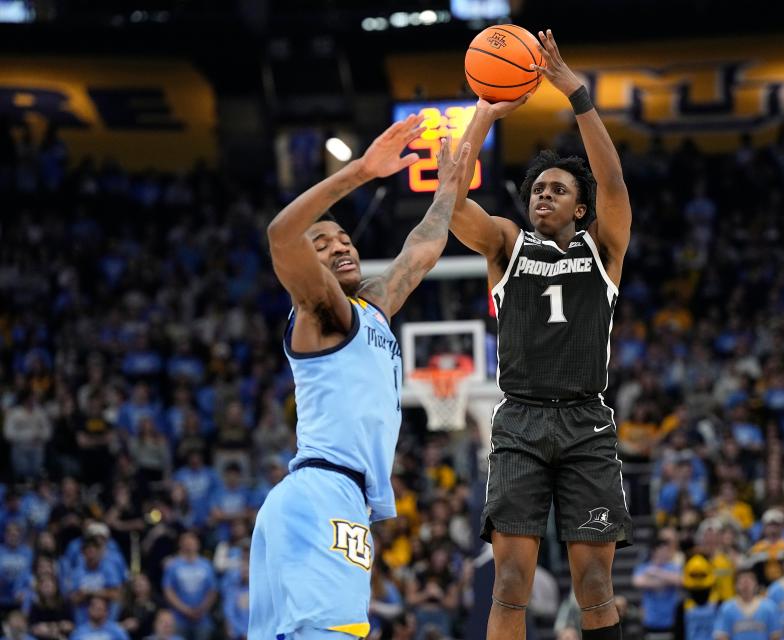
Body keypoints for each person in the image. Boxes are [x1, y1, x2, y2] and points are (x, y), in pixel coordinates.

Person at [247, 114, 474, 640]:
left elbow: (420, 253)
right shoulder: (321, 309)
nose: (341, 246)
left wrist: (446, 193)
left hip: (317, 497)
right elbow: (281, 235)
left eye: (344, 238)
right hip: (325, 493)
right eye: (323, 243)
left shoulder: (368, 308)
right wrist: (360, 173)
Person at [452, 29, 633, 640]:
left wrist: (576, 95)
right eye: (536, 189)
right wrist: (482, 113)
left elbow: (614, 186)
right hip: (521, 421)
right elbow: (450, 204)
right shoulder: (506, 243)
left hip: (586, 421)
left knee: (595, 586)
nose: (542, 196)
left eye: (557, 190)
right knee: (508, 584)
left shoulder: (603, 248)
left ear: (580, 208)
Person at [713, 566, 781, 640]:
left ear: (756, 584)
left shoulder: (769, 607)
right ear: (736, 585)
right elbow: (722, 636)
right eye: (742, 582)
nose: (746, 585)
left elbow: (775, 635)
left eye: (749, 581)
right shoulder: (727, 608)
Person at [673, 554, 720, 640]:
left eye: (701, 575)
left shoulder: (719, 604)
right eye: (695, 575)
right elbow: (678, 634)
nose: (698, 580)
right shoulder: (682, 607)